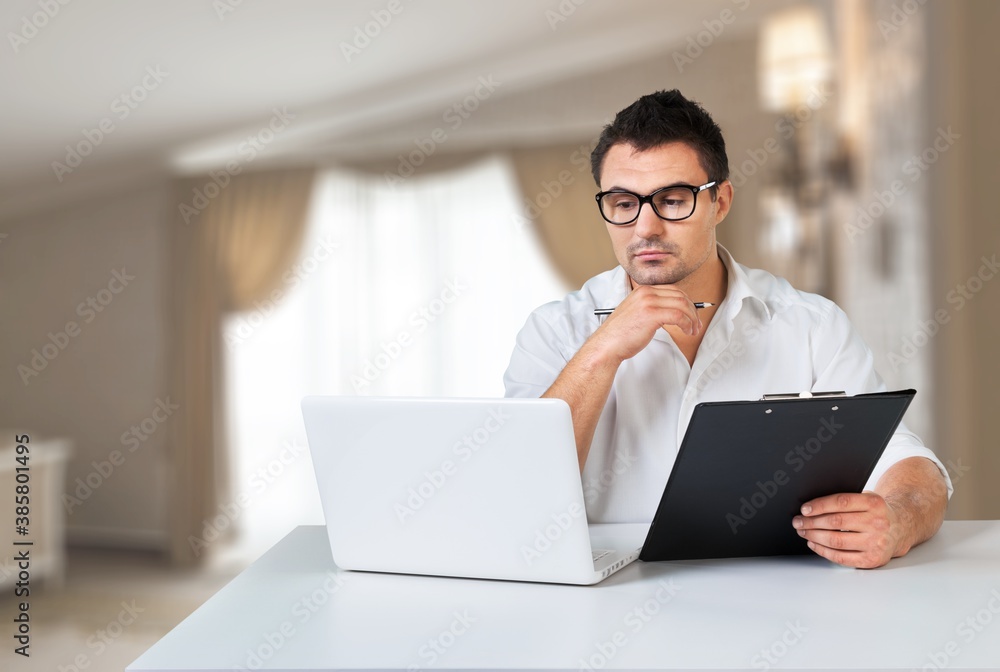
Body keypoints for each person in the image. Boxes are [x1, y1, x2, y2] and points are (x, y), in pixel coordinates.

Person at [503, 89, 950, 569]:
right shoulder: (553, 331)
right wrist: (603, 350)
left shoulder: (810, 326)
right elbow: (520, 492)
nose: (645, 227)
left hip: (776, 604)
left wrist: (899, 519)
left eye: (673, 200)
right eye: (622, 202)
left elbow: (907, 464)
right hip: (607, 604)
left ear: (720, 201)